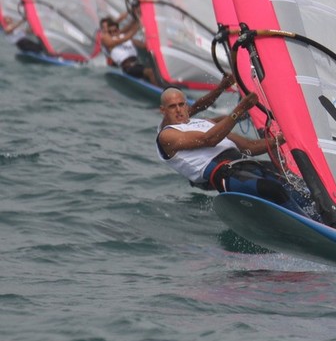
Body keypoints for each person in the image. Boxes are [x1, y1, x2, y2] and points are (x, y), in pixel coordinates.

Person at [157, 84, 306, 214]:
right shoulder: (167, 135)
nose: (178, 110)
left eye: (181, 104)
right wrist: (240, 109)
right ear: (163, 111)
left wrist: (281, 139)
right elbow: (209, 139)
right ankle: (308, 225)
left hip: (247, 165)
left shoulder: (204, 122)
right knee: (274, 189)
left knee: (296, 186)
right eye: (172, 106)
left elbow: (249, 147)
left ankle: (324, 220)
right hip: (225, 175)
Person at [100, 14, 161, 86]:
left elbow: (143, 45)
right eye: (110, 32)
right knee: (150, 72)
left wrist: (152, 35)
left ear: (118, 30)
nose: (113, 33)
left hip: (138, 64)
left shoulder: (126, 38)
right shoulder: (109, 42)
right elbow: (127, 35)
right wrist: (138, 24)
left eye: (115, 31)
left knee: (158, 72)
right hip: (128, 67)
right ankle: (161, 95)